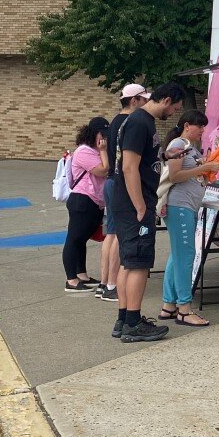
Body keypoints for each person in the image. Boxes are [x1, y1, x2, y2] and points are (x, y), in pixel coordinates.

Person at [111, 81, 185, 343]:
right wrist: (140, 205)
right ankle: (133, 322)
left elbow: (141, 160)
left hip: (131, 202)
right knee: (139, 264)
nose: (174, 113)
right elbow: (129, 167)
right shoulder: (139, 122)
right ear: (166, 100)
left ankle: (124, 319)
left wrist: (165, 155)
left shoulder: (141, 123)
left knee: (129, 262)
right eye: (175, 107)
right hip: (135, 203)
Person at [158, 110, 215, 327]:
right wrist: (203, 168)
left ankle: (169, 305)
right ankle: (184, 308)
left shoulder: (190, 148)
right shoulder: (178, 145)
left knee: (178, 255)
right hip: (179, 206)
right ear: (187, 126)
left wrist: (204, 170)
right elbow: (175, 176)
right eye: (200, 126)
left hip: (186, 206)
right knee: (186, 256)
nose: (202, 130)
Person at [97, 84, 150, 302]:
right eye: (143, 99)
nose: (146, 103)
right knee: (121, 235)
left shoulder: (114, 122)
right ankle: (111, 284)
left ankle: (105, 283)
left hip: (111, 181)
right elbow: (128, 166)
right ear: (134, 100)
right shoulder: (130, 122)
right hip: (120, 184)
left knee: (111, 233)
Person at [61, 117, 110, 292]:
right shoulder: (84, 151)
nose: (104, 138)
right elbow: (103, 170)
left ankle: (81, 274)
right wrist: (104, 150)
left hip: (94, 201)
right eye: (102, 134)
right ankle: (71, 280)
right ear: (93, 133)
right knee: (74, 239)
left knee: (81, 240)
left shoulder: (96, 151)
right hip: (82, 200)